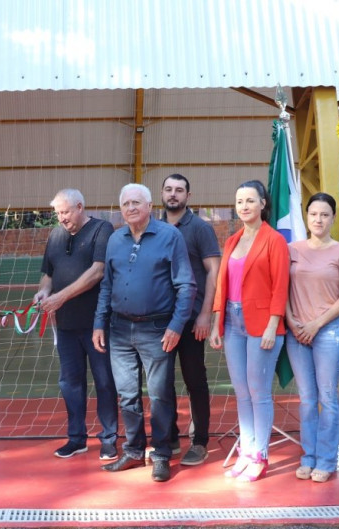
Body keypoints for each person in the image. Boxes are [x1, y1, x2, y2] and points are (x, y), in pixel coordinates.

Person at [93, 183, 195, 482]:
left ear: (150, 206)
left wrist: (176, 326)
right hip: (120, 329)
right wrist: (100, 322)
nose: (130, 208)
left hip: (157, 329)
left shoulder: (169, 236)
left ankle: (161, 454)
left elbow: (186, 285)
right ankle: (134, 451)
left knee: (161, 395)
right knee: (126, 395)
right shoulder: (115, 239)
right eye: (125, 204)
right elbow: (107, 286)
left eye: (136, 202)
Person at [209, 180, 289, 482]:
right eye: (240, 200)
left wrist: (272, 325)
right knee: (241, 392)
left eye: (250, 200)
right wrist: (218, 321)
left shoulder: (275, 241)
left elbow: (281, 286)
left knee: (259, 392)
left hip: (262, 325)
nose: (244, 206)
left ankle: (261, 455)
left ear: (263, 204)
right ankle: (246, 450)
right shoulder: (232, 241)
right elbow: (222, 285)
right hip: (232, 322)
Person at [34, 189, 119, 460]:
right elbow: (48, 274)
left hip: (97, 324)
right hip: (66, 325)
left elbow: (98, 271)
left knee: (105, 381)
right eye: (58, 213)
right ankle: (76, 438)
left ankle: (108, 439)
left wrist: (60, 296)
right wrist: (44, 293)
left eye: (66, 212)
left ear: (80, 207)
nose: (61, 218)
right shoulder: (55, 235)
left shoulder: (102, 229)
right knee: (70, 382)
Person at [284, 193, 339, 483]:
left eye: (325, 215)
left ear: (333, 219)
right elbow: (282, 290)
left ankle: (326, 460)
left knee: (328, 399)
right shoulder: (292, 249)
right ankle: (308, 457)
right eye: (313, 213)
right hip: (296, 332)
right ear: (306, 216)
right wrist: (292, 321)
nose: (318, 219)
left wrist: (316, 324)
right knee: (306, 399)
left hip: (328, 332)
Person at [159, 174, 221, 466]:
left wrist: (205, 314)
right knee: (162, 382)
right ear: (161, 193)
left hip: (192, 318)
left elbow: (213, 271)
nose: (173, 195)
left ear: (188, 195)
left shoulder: (199, 229)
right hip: (159, 320)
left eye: (179, 190)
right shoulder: (153, 227)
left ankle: (199, 442)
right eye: (169, 190)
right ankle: (169, 437)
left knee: (195, 380)